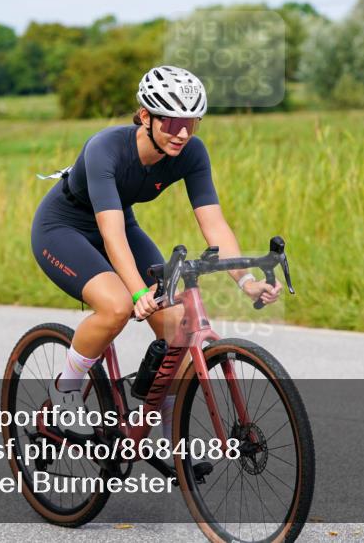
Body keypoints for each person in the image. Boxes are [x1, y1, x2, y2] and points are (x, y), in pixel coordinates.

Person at [30, 66, 282, 439]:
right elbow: (110, 232)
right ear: (145, 117)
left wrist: (245, 280)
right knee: (116, 306)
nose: (181, 133)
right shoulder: (105, 148)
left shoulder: (191, 152)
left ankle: (166, 422)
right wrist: (136, 293)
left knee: (179, 326)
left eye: (191, 123)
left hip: (121, 225)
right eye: (171, 122)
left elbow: (213, 222)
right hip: (63, 228)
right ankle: (65, 390)